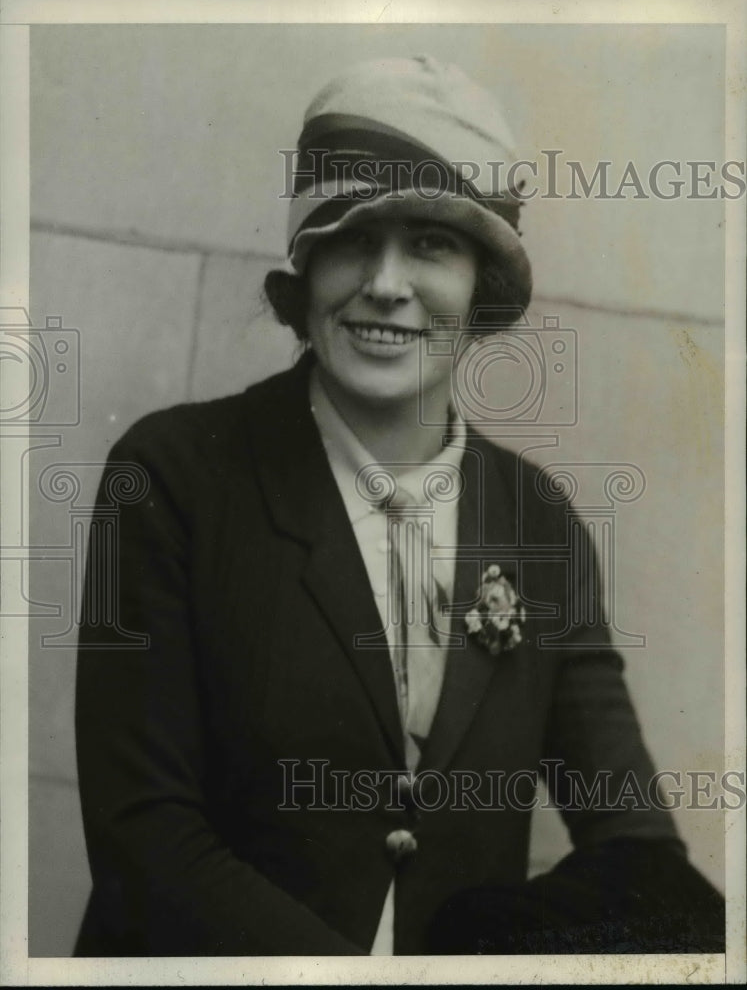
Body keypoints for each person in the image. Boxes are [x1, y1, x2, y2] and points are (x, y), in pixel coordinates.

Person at [74, 56, 724, 956]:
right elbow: (145, 840)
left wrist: (485, 948)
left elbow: (640, 851)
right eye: (352, 236)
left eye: (430, 243)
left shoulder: (536, 522)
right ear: (305, 263)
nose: (386, 282)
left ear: (481, 283)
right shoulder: (173, 476)